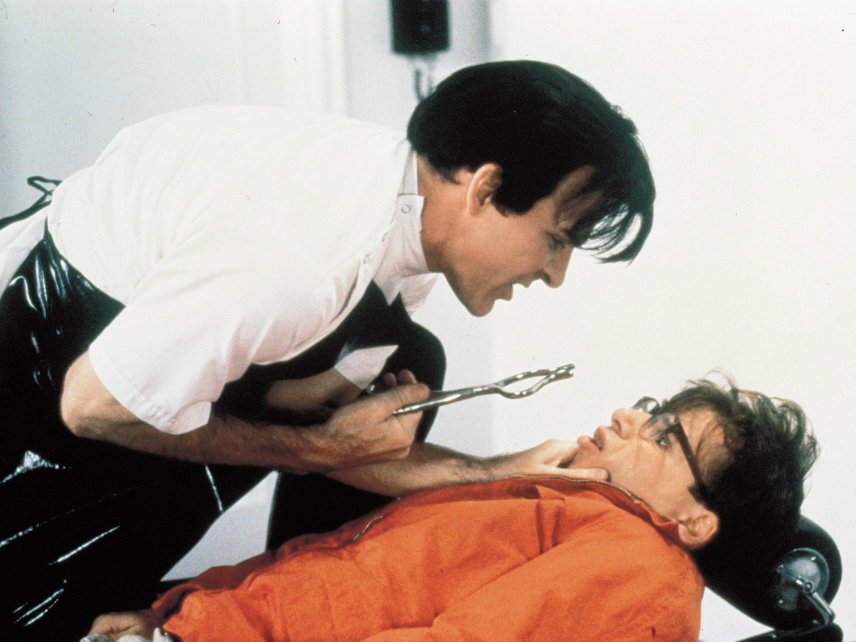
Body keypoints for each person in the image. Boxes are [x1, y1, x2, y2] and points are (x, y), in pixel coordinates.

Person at [0, 60, 654, 638]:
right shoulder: (305, 256)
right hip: (45, 360)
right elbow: (94, 405)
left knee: (407, 371)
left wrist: (497, 471)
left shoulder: (405, 221)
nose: (556, 274)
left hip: (126, 374)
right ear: (484, 189)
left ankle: (292, 616)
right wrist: (314, 448)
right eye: (556, 239)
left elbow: (341, 445)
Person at [84, 376, 818, 642]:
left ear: (695, 522)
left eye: (662, 436)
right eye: (653, 408)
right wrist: (171, 617)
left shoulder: (643, 569)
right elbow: (338, 576)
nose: (629, 415)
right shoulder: (559, 509)